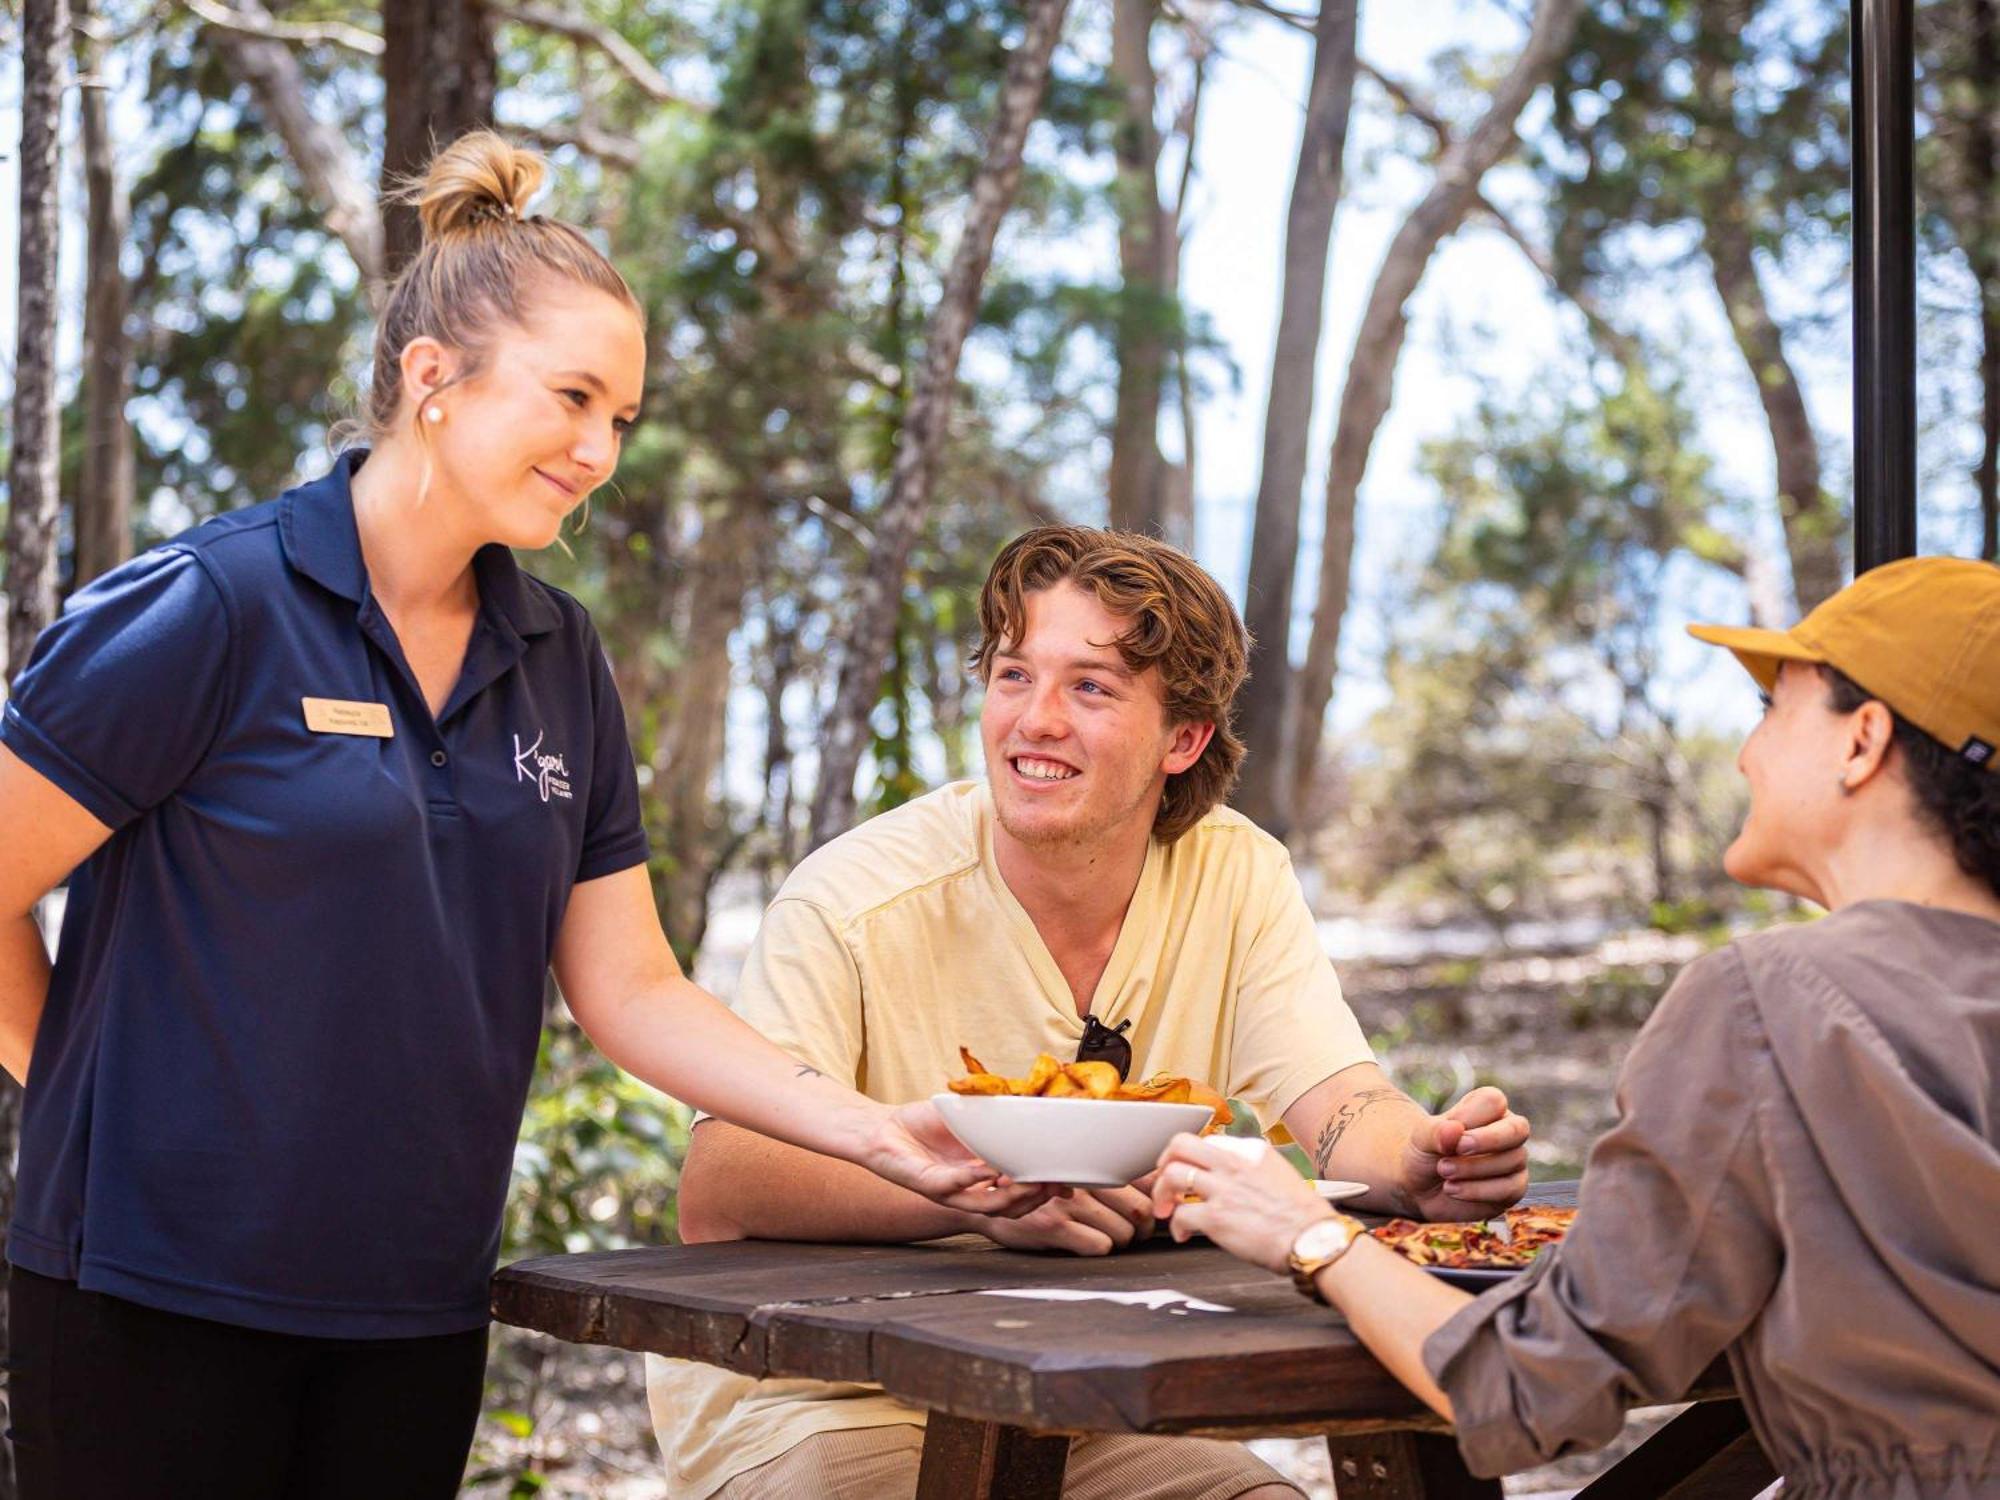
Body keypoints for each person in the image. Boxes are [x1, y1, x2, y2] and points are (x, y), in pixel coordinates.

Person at [0, 133, 1037, 1500]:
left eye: (623, 418)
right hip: (152, 1292)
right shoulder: (211, 607)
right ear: (432, 380)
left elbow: (634, 988)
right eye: (574, 399)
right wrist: (78, 1077)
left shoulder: (560, 656)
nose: (601, 451)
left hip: (415, 1305)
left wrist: (875, 1132)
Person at [650, 525, 1534, 1500]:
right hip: (823, 1394)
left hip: (1087, 1395)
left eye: (1090, 687)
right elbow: (720, 1187)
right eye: (1013, 675)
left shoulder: (1233, 876)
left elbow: (1335, 1100)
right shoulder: (854, 898)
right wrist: (984, 1197)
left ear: (1182, 738)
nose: (1034, 719)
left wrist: (1421, 1156)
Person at [1153, 555, 2000, 1499]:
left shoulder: (1769, 1003)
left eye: (1772, 711)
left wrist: (1309, 1233)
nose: (1744, 754)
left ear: (1863, 742)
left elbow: (1534, 1391)